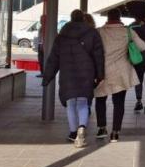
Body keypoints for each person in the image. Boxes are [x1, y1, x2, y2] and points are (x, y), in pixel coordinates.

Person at [42, 9, 104, 147]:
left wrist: (47, 77)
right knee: (82, 102)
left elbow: (53, 59)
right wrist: (100, 75)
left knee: (71, 103)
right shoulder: (92, 33)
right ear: (83, 18)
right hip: (86, 73)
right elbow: (99, 56)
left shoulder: (61, 36)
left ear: (71, 19)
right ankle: (82, 127)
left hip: (67, 73)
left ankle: (72, 132)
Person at [94, 9, 145, 142]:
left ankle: (101, 128)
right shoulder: (127, 32)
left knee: (100, 99)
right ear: (120, 17)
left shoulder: (99, 32)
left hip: (102, 72)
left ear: (108, 18)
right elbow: (142, 47)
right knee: (119, 102)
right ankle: (115, 132)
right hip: (121, 73)